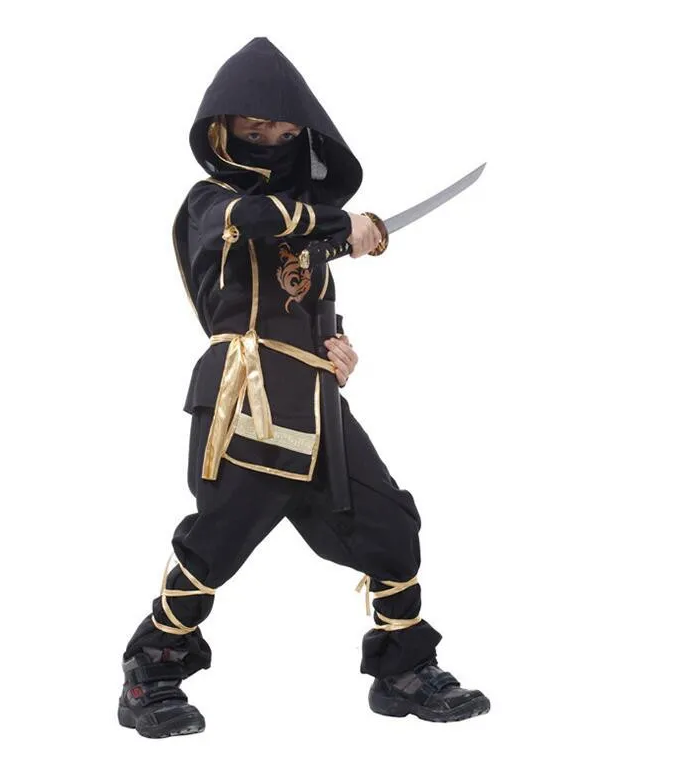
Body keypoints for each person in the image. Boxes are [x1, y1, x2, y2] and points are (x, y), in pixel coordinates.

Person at [118, 37, 490, 739]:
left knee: (389, 525)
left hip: (318, 403)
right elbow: (251, 220)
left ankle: (404, 670)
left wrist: (336, 347)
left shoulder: (306, 232)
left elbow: (306, 303)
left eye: (284, 132)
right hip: (246, 396)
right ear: (224, 130)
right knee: (217, 542)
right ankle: (152, 671)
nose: (269, 141)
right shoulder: (211, 203)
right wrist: (348, 225)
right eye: (255, 129)